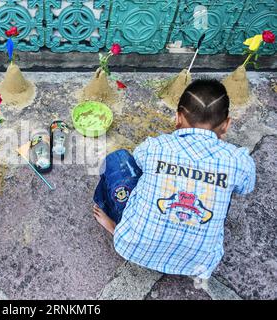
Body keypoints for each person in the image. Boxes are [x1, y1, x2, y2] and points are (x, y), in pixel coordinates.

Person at [93, 79, 256, 279]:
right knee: (229, 186)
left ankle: (114, 227)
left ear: (178, 117)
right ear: (227, 124)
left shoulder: (156, 146)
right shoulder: (239, 160)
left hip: (133, 245)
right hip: (199, 262)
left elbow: (137, 160)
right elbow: (245, 188)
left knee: (119, 159)